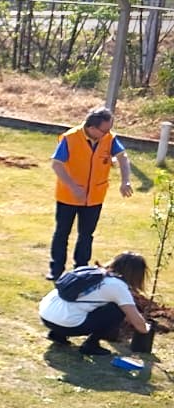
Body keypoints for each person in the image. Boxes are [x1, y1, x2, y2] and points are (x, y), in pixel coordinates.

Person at [49, 106, 132, 281]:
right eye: (105, 129)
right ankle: (56, 270)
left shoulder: (109, 139)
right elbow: (57, 164)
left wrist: (125, 181)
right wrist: (73, 187)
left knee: (86, 234)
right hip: (68, 197)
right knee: (62, 232)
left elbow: (123, 157)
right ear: (92, 128)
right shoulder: (70, 138)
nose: (108, 133)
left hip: (94, 197)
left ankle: (81, 269)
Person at [38, 251, 150, 356]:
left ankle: (57, 334)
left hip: (45, 315)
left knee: (82, 304)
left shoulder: (91, 271)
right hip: (67, 325)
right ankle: (91, 345)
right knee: (117, 310)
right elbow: (136, 321)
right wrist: (146, 329)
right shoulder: (118, 286)